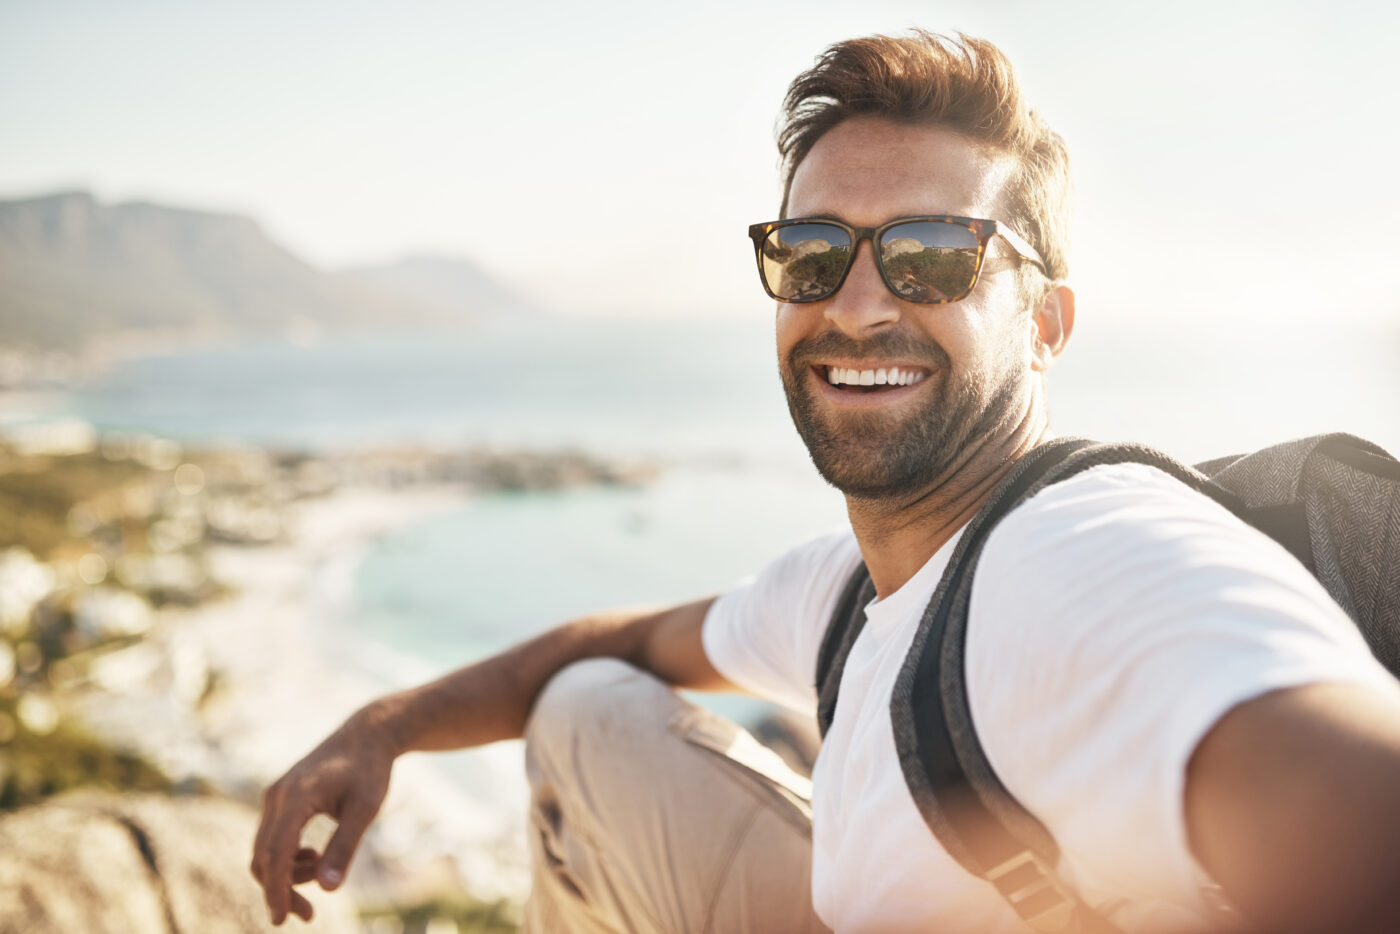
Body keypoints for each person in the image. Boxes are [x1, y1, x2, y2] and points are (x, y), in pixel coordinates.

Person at [250, 30, 1400, 934]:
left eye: (932, 255)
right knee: (585, 709)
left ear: (1043, 321)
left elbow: (1357, 811)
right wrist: (382, 723)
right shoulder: (852, 587)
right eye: (811, 250)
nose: (856, 304)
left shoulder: (1080, 557)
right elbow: (624, 642)